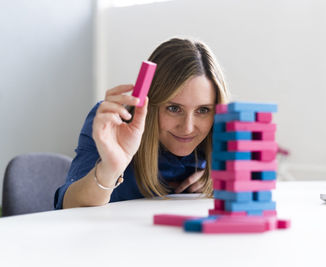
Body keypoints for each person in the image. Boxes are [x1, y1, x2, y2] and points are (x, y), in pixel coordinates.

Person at [54, 37, 230, 209]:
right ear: (151, 103)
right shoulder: (114, 122)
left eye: (203, 110)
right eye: (174, 108)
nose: (188, 128)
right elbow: (69, 205)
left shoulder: (224, 135)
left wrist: (230, 180)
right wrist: (110, 168)